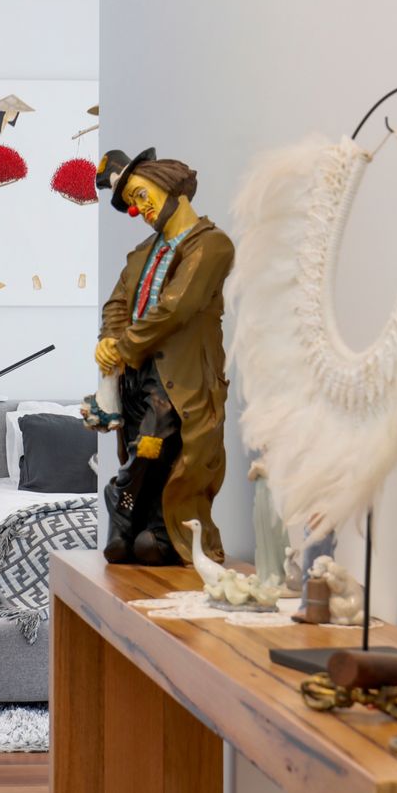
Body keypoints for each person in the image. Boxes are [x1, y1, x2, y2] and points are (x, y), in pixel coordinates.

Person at [89, 149, 234, 565]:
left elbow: (176, 307)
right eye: (132, 203)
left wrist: (124, 344)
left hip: (180, 376)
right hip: (136, 372)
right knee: (146, 449)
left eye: (139, 193)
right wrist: (109, 341)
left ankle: (121, 496)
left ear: (166, 180)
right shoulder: (142, 253)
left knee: (156, 445)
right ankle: (150, 528)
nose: (139, 208)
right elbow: (117, 304)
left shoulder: (212, 246)